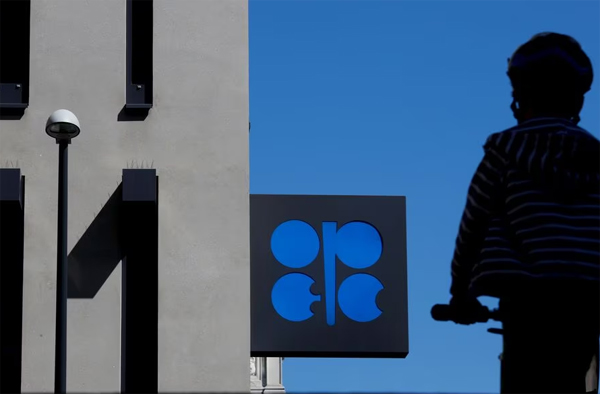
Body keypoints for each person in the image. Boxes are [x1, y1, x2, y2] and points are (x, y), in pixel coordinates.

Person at [447, 32, 599, 393]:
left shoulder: (504, 152)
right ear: (576, 99)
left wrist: (460, 293)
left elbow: (474, 224)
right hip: (587, 297)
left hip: (528, 300)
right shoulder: (595, 157)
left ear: (519, 98)